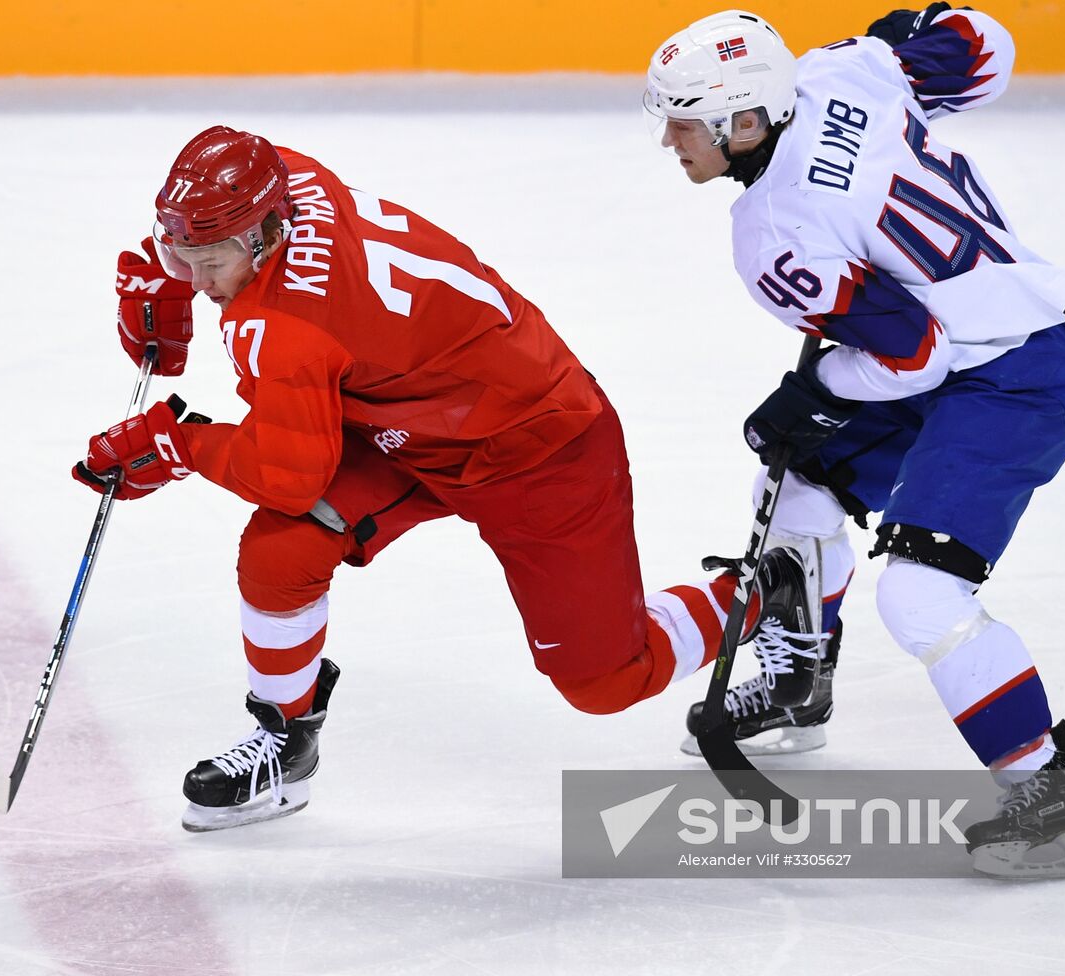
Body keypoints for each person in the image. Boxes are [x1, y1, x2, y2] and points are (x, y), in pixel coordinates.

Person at [75, 125, 742, 832]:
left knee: (606, 682)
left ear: (265, 236)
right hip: (403, 425)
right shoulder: (289, 180)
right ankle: (285, 743)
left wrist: (180, 445)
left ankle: (757, 593)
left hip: (537, 444)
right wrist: (161, 267)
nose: (200, 281)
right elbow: (216, 217)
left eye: (209, 264)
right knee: (281, 554)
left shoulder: (290, 330)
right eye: (187, 256)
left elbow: (287, 474)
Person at [644, 5, 1065, 877]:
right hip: (976, 333)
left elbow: (911, 356)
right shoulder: (841, 69)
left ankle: (1052, 800)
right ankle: (798, 685)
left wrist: (815, 391)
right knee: (797, 487)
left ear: (746, 123)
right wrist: (915, 26)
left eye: (683, 120)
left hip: (1014, 370)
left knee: (922, 595)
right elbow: (983, 47)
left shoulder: (772, 235)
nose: (669, 138)